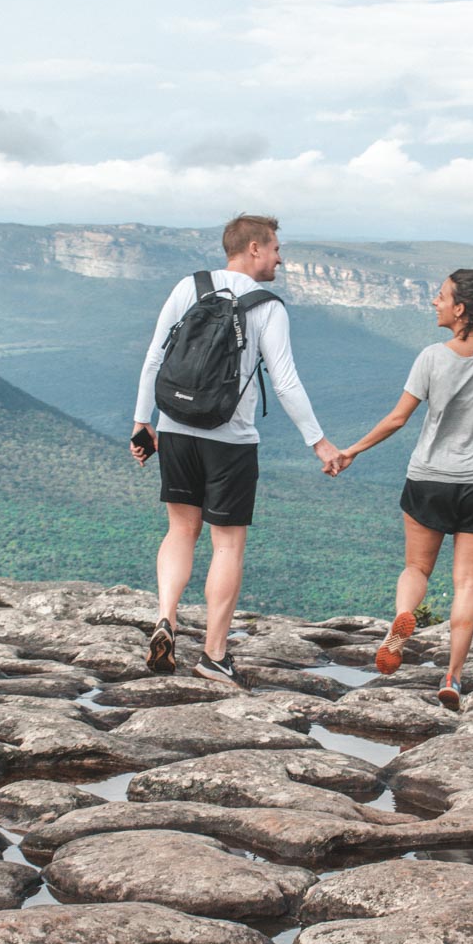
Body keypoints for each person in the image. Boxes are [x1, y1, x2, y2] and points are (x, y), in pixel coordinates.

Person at [131, 214, 343, 689]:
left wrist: (142, 424)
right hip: (230, 438)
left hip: (176, 427)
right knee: (226, 544)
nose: (279, 258)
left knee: (180, 529)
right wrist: (318, 440)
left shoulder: (190, 286)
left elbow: (154, 358)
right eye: (274, 249)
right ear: (252, 248)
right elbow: (285, 382)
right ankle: (213, 654)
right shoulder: (268, 306)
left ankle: (166, 616)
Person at [333, 269, 473, 710]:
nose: (434, 302)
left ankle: (401, 621)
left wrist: (352, 450)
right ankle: (452, 676)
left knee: (416, 569)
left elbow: (396, 419)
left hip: (429, 478)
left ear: (460, 309)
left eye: (441, 296)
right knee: (467, 583)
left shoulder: (430, 357)